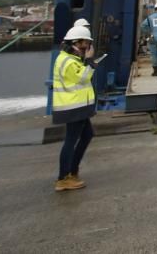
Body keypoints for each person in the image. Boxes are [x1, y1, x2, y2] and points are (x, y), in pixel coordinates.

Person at [52, 25, 99, 191]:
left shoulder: (70, 58)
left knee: (87, 135)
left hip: (78, 106)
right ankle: (63, 178)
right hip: (72, 107)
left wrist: (85, 60)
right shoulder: (68, 61)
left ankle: (72, 171)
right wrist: (90, 61)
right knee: (71, 141)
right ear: (76, 43)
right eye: (85, 43)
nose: (87, 47)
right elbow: (82, 79)